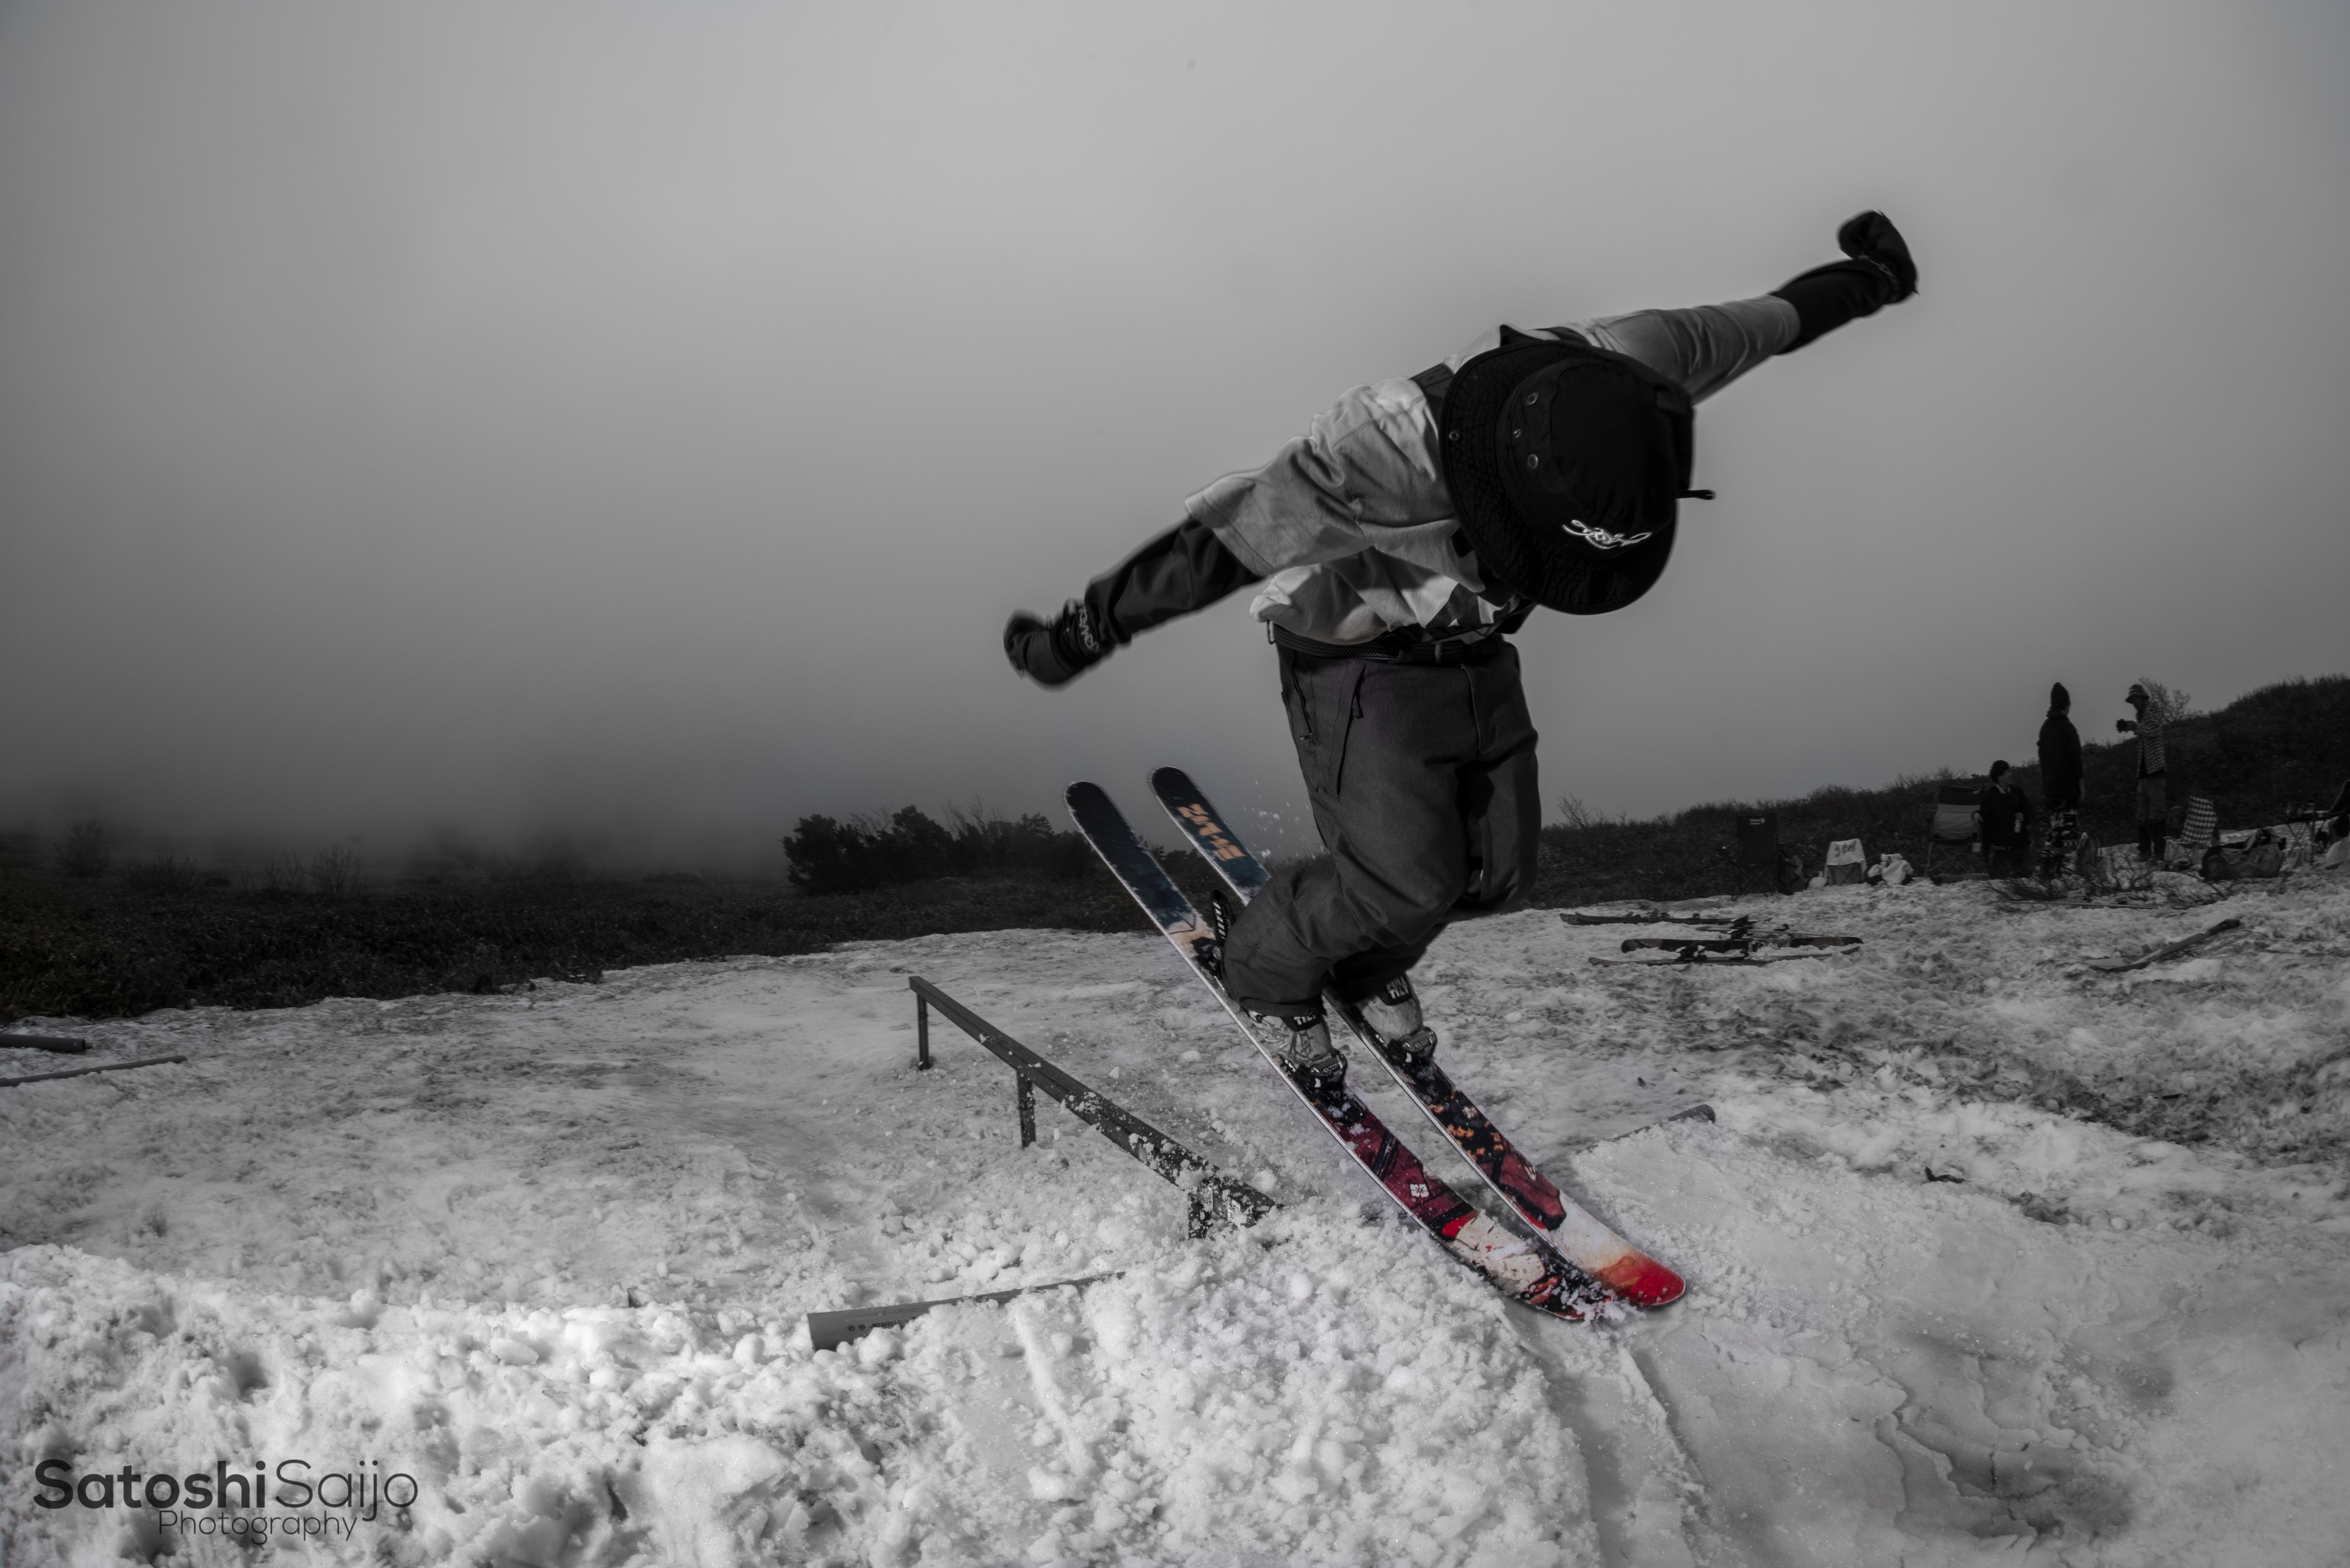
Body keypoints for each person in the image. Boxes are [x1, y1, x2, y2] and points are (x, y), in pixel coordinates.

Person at [1004, 213, 1919, 1085]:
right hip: (1360, 656)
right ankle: (1268, 970)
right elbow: (1222, 545)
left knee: (1497, 873)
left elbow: (1769, 324)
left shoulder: (1638, 364)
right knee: (1405, 879)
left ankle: (1360, 964)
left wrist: (1871, 280)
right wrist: (1086, 630)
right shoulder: (1381, 454)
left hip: (1475, 648)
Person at [2117, 682, 2167, 863]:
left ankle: (2160, 853)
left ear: (2142, 697)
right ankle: (2145, 851)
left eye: (2135, 699)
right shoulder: (2141, 715)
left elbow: (2154, 730)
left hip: (2155, 771)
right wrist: (2131, 726)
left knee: (2156, 813)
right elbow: (2146, 732)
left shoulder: (2153, 707)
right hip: (2144, 772)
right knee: (2142, 814)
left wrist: (2134, 727)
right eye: (2131, 701)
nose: (2134, 703)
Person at [2036, 682, 2083, 877]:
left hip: (2051, 791)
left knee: (2055, 831)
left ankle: (2046, 869)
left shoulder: (2044, 729)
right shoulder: (2068, 728)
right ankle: (2055, 872)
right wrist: (2080, 785)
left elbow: (2042, 759)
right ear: (2066, 705)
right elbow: (2075, 759)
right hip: (2067, 790)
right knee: (2067, 835)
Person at [1978, 760, 2035, 877]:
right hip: (2002, 849)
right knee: (2000, 882)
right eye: (2008, 772)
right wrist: (1976, 814)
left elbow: (2029, 811)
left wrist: (2024, 816)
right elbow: (1984, 818)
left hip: (2020, 846)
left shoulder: (2018, 792)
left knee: (2025, 879)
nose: (2011, 774)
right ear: (2000, 776)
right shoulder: (1990, 796)